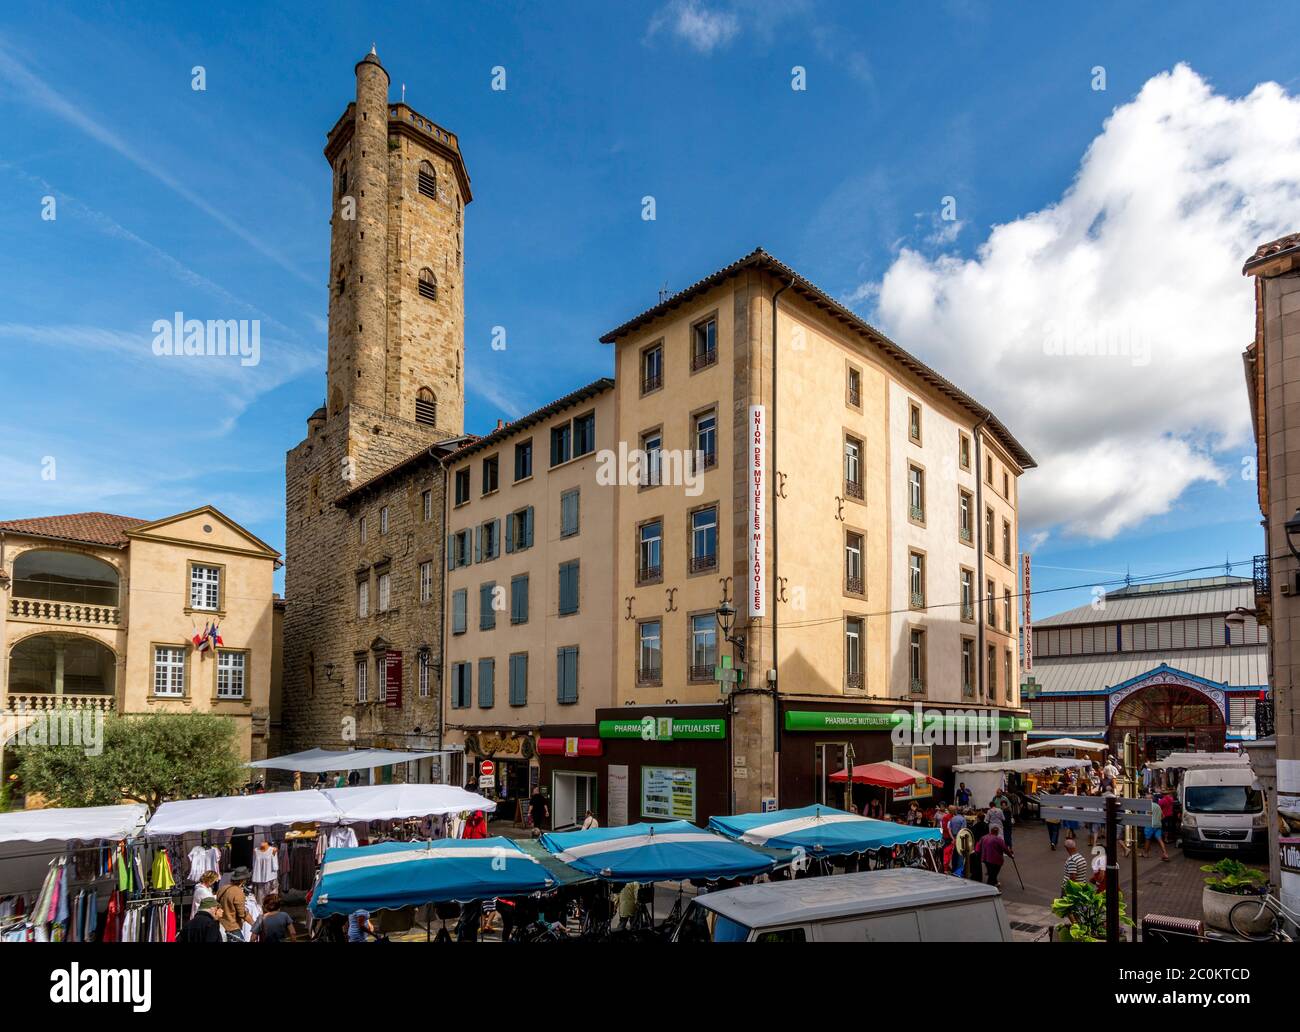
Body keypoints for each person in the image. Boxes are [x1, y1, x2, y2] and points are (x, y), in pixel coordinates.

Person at [216, 867, 250, 942]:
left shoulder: (222, 888)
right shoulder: (238, 892)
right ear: (243, 880)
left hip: (220, 925)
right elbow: (242, 914)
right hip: (232, 927)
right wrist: (254, 924)